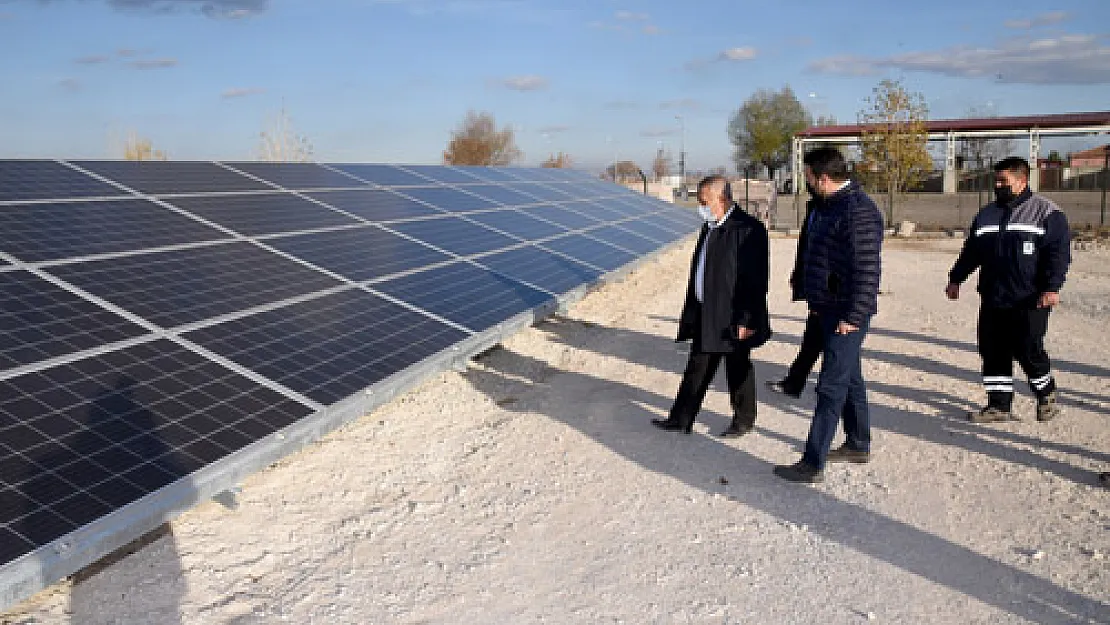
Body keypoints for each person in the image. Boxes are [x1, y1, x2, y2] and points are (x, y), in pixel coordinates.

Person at [774, 147, 883, 483]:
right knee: (850, 378)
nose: (804, 183)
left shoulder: (857, 212)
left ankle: (812, 463)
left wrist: (853, 315)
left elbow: (867, 272)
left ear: (822, 179)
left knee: (830, 385)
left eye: (807, 177)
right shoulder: (824, 207)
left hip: (844, 314)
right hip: (825, 307)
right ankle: (858, 443)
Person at [946, 156, 1071, 423]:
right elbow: (971, 252)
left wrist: (1051, 287)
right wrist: (956, 278)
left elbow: (1058, 255)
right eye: (996, 180)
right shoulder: (987, 214)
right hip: (994, 297)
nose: (998, 185)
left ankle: (1046, 394)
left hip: (1030, 299)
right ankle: (999, 405)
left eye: (1004, 180)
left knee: (1028, 348)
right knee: (992, 350)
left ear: (1022, 180)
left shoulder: (1046, 213)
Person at [652, 175, 771, 438]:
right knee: (697, 366)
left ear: (723, 199)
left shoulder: (747, 230)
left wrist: (746, 320)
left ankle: (743, 420)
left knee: (737, 367)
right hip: (708, 311)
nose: (701, 206)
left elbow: (755, 280)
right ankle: (681, 418)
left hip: (733, 316)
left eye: (705, 201)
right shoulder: (710, 225)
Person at [766, 189, 823, 398]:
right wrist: (798, 272)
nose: (807, 183)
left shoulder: (842, 209)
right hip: (819, 293)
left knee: (844, 365)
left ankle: (853, 421)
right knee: (812, 339)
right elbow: (807, 246)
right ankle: (794, 383)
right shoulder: (816, 207)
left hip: (833, 298)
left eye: (809, 177)